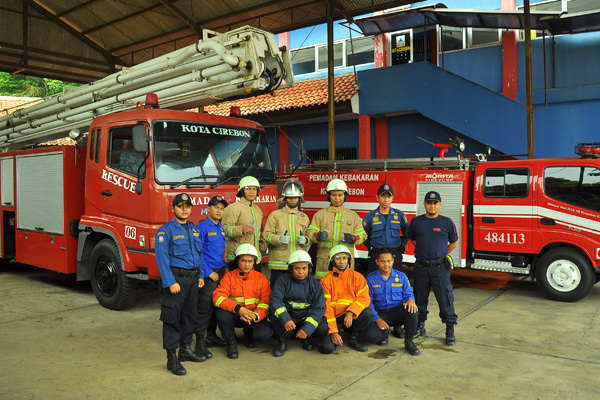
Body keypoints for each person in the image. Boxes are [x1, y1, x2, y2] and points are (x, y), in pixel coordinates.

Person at [155, 193, 206, 376]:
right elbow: (162, 259)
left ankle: (185, 350)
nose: (184, 209)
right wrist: (170, 282)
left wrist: (200, 274)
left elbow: (198, 254)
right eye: (180, 206)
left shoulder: (193, 229)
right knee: (172, 319)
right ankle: (172, 359)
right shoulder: (165, 231)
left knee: (189, 317)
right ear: (173, 208)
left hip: (192, 280)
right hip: (176, 281)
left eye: (187, 206)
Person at [408, 191, 459, 346]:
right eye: (429, 203)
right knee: (419, 298)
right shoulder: (416, 222)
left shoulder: (447, 222)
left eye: (435, 203)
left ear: (440, 205)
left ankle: (449, 329)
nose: (432, 205)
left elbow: (454, 243)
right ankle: (420, 325)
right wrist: (426, 253)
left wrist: (441, 254)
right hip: (421, 266)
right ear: (424, 204)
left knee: (445, 299)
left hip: (440, 267)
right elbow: (413, 239)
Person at [319, 245, 386, 354]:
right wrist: (334, 331)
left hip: (351, 316)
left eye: (344, 258)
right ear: (332, 261)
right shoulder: (325, 281)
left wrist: (351, 311)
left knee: (367, 313)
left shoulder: (357, 277)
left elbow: (364, 298)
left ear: (349, 260)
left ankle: (353, 338)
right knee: (327, 349)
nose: (342, 261)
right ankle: (335, 334)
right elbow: (327, 308)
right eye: (338, 258)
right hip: (334, 318)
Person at [213, 244, 272, 359]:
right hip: (235, 315)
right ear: (237, 261)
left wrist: (256, 315)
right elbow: (218, 298)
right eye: (243, 261)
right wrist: (238, 309)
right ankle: (231, 342)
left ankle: (249, 333)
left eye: (250, 261)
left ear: (254, 262)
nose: (246, 264)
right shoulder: (229, 277)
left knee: (265, 335)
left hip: (253, 317)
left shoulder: (261, 278)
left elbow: (266, 301)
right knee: (222, 314)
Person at [269, 250, 328, 357]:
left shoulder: (315, 284)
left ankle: (306, 337)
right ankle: (281, 342)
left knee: (323, 327)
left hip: (304, 319)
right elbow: (275, 301)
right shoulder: (283, 280)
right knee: (273, 315)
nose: (301, 272)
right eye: (297, 268)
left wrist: (307, 328)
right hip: (288, 319)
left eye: (304, 268)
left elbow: (319, 308)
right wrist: (286, 319)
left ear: (309, 268)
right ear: (291, 268)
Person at [364, 248, 420, 356]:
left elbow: (408, 294)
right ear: (377, 262)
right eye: (382, 261)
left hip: (397, 312)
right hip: (381, 313)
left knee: (413, 311)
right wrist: (377, 319)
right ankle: (385, 332)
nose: (386, 265)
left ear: (393, 261)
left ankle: (409, 342)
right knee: (370, 336)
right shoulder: (370, 279)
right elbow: (368, 302)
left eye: (389, 261)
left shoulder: (401, 276)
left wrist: (411, 300)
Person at [192, 196, 228, 359]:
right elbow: (198, 254)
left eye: (222, 208)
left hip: (220, 271)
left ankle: (211, 337)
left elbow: (219, 251)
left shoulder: (220, 227)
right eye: (216, 207)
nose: (219, 211)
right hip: (209, 274)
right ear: (209, 209)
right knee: (204, 308)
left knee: (216, 306)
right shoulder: (202, 228)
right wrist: (208, 272)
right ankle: (199, 345)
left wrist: (224, 266)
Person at [308, 179, 367, 279]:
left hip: (345, 264)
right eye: (334, 195)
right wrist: (317, 235)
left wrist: (354, 238)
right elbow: (309, 233)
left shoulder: (353, 216)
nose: (337, 198)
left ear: (345, 196)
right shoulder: (320, 215)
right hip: (325, 264)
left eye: (340, 195)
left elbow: (363, 235)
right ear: (329, 196)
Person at [262, 178, 310, 286]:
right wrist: (279, 239)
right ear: (285, 198)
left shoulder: (304, 217)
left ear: (299, 198)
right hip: (279, 264)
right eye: (289, 198)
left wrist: (306, 240)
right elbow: (266, 235)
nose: (292, 200)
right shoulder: (275, 215)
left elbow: (309, 237)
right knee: (277, 293)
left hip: (298, 264)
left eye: (295, 197)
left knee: (295, 293)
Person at [363, 184, 409, 274]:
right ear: (377, 197)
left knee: (397, 282)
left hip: (394, 255)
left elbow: (407, 233)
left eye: (389, 196)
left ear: (393, 198)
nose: (386, 199)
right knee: (373, 282)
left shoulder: (399, 215)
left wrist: (401, 245)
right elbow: (364, 235)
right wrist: (372, 247)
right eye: (383, 196)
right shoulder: (370, 217)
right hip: (376, 255)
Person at [222, 176, 265, 270]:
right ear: (242, 191)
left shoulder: (258, 210)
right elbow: (223, 229)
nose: (252, 192)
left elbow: (260, 231)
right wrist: (241, 230)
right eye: (248, 189)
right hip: (237, 258)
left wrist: (262, 241)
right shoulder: (233, 208)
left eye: (254, 189)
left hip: (254, 258)